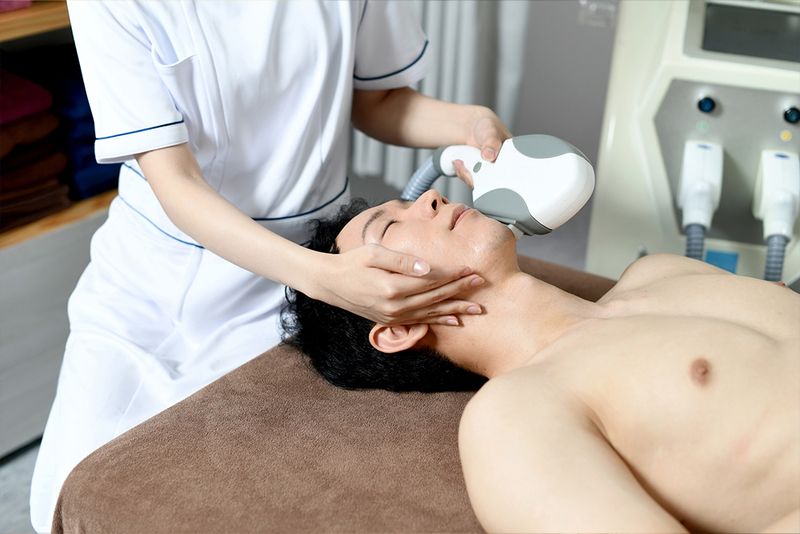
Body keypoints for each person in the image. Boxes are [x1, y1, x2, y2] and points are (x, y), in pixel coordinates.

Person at [30, 2, 521, 532]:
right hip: (155, 279)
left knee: (216, 492)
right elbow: (176, 181)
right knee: (70, 485)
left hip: (300, 280)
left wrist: (471, 123)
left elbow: (379, 102)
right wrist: (320, 278)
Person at [282, 190, 800, 533]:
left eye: (409, 200)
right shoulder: (516, 414)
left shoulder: (661, 271)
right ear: (397, 328)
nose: (430, 197)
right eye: (391, 227)